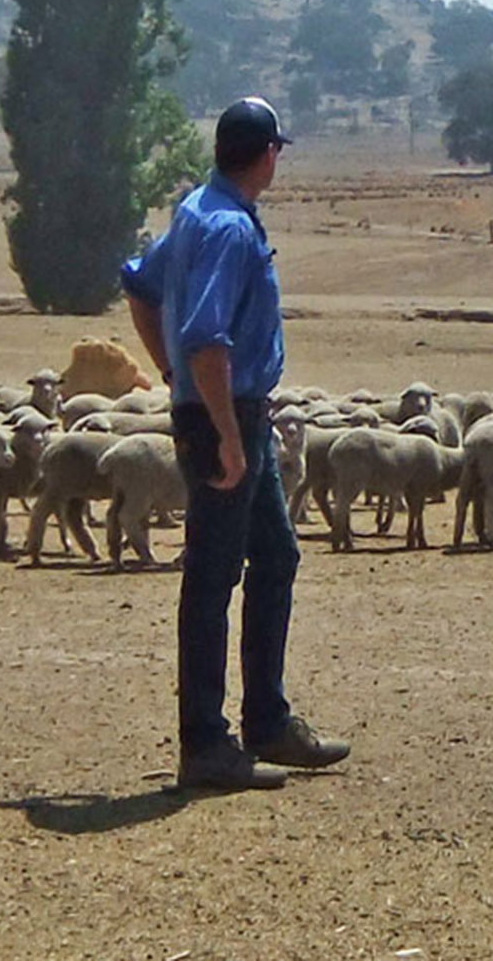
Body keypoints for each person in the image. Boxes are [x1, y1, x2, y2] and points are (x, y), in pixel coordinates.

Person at [122, 97, 349, 790]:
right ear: (268, 154)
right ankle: (206, 743)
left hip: (229, 412)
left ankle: (267, 721)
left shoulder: (198, 210)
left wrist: (171, 378)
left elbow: (140, 287)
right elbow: (209, 338)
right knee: (213, 574)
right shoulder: (226, 228)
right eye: (278, 149)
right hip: (228, 416)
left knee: (276, 555)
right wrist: (221, 429)